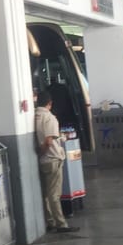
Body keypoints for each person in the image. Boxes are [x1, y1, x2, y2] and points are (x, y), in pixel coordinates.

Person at [34, 91, 77, 233]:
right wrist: (42, 151)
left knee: (45, 194)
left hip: (43, 161)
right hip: (52, 159)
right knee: (54, 194)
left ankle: (50, 221)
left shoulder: (34, 116)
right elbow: (48, 141)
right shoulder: (50, 117)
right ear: (50, 103)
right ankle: (61, 224)